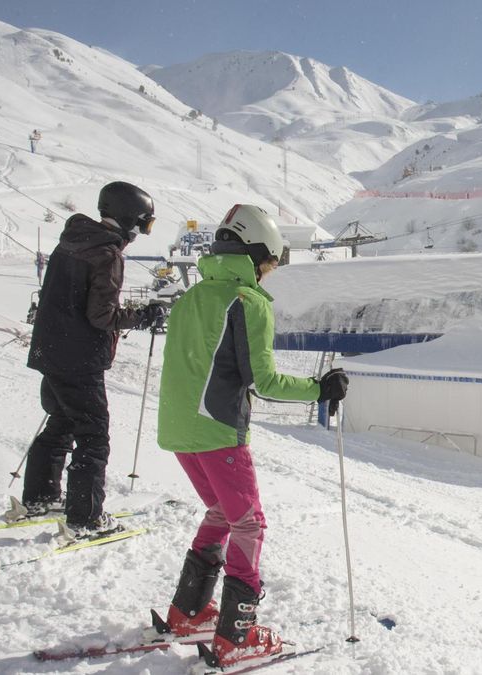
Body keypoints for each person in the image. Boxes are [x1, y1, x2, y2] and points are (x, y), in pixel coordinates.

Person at [155, 204, 349, 668]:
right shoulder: (248, 302)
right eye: (271, 262)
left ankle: (188, 613)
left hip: (180, 430)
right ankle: (235, 635)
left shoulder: (191, 297)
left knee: (222, 512)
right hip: (219, 431)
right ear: (255, 252)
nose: (271, 272)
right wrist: (320, 388)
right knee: (248, 524)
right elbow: (264, 381)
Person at [15, 182, 161, 535]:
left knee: (62, 421)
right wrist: (141, 316)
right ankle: (85, 517)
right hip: (79, 358)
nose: (141, 233)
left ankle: (40, 495)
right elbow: (102, 316)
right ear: (129, 219)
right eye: (144, 224)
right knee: (94, 436)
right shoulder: (107, 254)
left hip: (51, 351)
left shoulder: (74, 241)